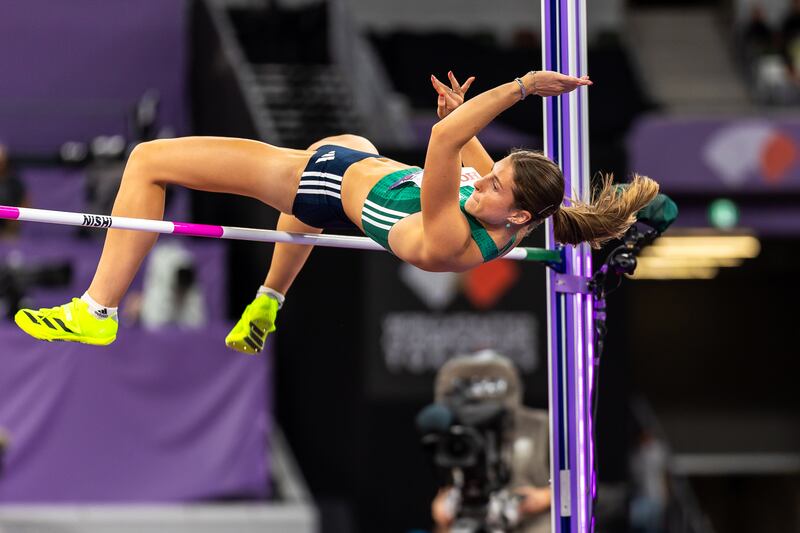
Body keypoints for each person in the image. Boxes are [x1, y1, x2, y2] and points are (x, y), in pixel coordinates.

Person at [14, 70, 658, 348]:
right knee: (332, 174)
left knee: (148, 160)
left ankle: (97, 311)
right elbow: (467, 153)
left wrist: (519, 88)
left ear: (515, 218)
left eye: (495, 186)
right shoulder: (510, 213)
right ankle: (270, 298)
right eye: (493, 172)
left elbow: (444, 144)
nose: (483, 180)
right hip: (358, 164)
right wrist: (463, 118)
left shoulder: (451, 241)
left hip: (321, 181)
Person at [430, 351, 551, 533]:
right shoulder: (455, 436)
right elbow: (450, 489)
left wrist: (546, 497)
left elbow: (582, 484)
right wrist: (443, 507)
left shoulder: (542, 426)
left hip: (533, 524)